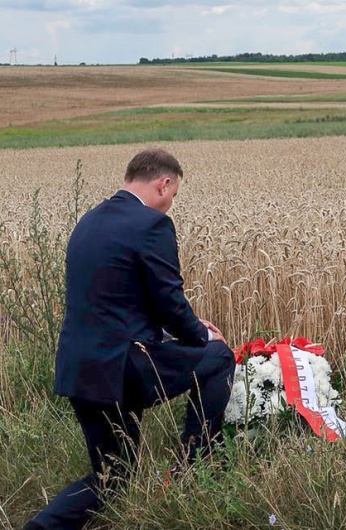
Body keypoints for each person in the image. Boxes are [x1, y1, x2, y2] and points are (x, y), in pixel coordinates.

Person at [24, 148, 235, 530]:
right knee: (218, 356)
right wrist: (202, 334)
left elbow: (121, 297)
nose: (170, 204)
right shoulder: (151, 224)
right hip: (124, 367)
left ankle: (40, 527)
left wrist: (182, 328)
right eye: (173, 194)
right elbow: (169, 299)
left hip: (80, 369)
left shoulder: (89, 220)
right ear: (163, 182)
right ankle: (198, 467)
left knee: (113, 478)